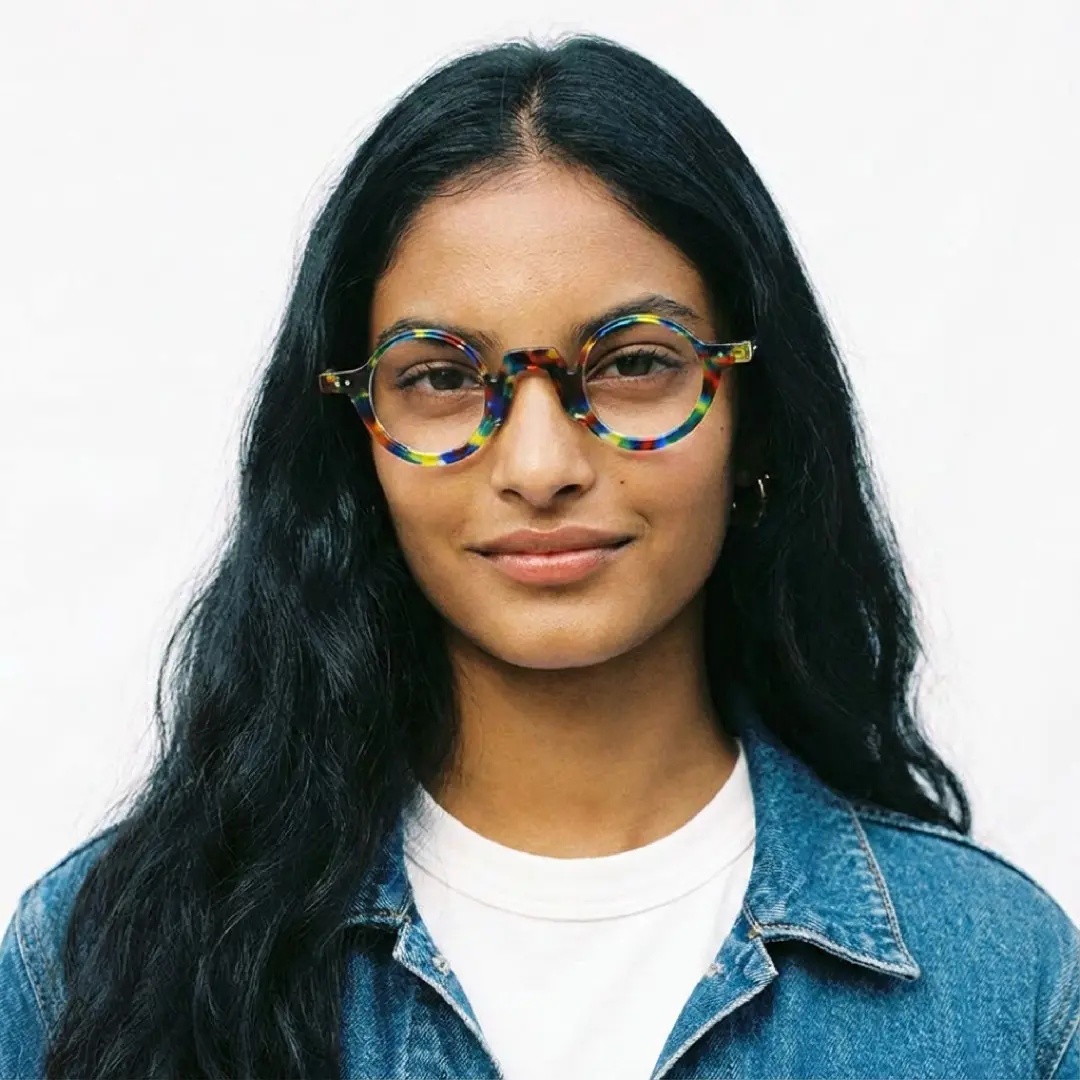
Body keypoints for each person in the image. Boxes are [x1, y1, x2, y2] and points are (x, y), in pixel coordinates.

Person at [1, 32, 1076, 1080]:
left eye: (634, 363)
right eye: (439, 377)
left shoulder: (1004, 980)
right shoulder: (88, 967)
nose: (540, 464)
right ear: (352, 442)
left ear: (754, 417)